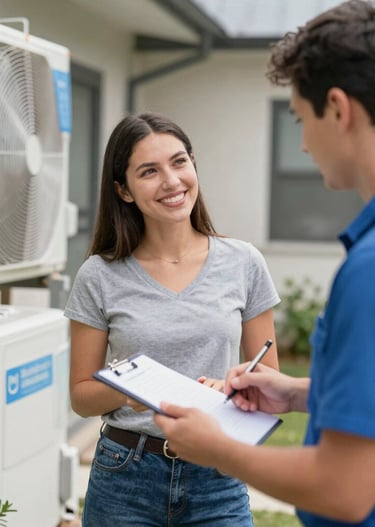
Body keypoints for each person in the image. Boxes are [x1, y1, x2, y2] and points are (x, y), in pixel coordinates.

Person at [154, 1, 375, 526]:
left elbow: (345, 491)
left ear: (339, 108)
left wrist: (217, 449)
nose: (300, 143)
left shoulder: (368, 269)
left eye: (301, 118)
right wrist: (298, 392)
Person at [64, 111, 280, 526]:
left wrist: (233, 386)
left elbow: (267, 378)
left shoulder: (243, 262)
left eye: (179, 162)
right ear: (123, 191)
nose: (172, 181)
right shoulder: (99, 274)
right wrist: (130, 389)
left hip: (217, 472)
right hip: (125, 473)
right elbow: (81, 395)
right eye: (149, 171)